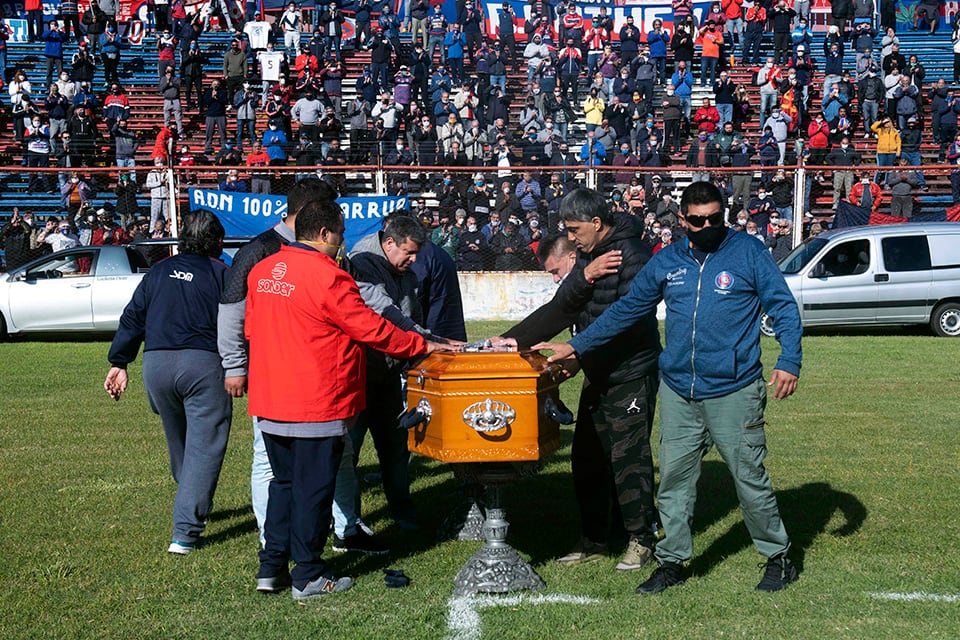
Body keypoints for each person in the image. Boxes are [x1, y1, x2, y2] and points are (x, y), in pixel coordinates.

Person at [537, 181, 802, 595]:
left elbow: (782, 305)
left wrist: (789, 360)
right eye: (698, 220)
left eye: (716, 218)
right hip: (679, 389)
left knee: (749, 478)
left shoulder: (748, 253)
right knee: (674, 483)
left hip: (734, 389)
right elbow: (627, 310)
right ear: (683, 220)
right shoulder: (669, 261)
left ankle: (777, 555)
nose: (708, 225)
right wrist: (576, 344)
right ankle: (673, 560)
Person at [245, 195, 442, 600]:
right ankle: (309, 574)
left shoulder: (263, 271)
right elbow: (371, 328)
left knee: (283, 484)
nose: (343, 242)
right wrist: (419, 345)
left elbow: (251, 328)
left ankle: (271, 567)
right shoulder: (328, 275)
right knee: (314, 489)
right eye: (340, 233)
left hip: (271, 397)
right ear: (323, 233)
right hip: (316, 399)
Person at [494, 188, 661, 572]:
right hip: (599, 372)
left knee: (629, 458)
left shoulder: (632, 256)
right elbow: (564, 304)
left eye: (574, 228)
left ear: (597, 223)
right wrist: (513, 340)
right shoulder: (588, 255)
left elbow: (628, 317)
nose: (570, 236)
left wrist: (577, 348)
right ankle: (595, 538)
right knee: (587, 457)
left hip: (631, 372)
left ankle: (641, 539)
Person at [104, 211, 232, 556]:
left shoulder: (158, 272)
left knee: (181, 442)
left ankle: (190, 497)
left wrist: (119, 361)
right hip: (203, 365)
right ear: (217, 242)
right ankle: (185, 532)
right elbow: (239, 322)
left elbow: (132, 317)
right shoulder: (222, 273)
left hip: (156, 365)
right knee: (204, 447)